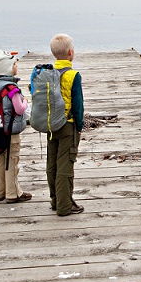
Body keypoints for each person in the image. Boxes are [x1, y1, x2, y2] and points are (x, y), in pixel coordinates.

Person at [46, 33, 85, 217]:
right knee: (65, 165)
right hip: (67, 125)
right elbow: (78, 105)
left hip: (50, 124)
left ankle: (55, 200)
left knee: (52, 163)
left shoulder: (48, 73)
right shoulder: (73, 75)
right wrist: (80, 124)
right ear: (71, 53)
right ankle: (64, 206)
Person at [0, 50, 32, 204]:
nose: (16, 67)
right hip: (11, 131)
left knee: (1, 160)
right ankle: (13, 193)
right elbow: (19, 109)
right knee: (12, 161)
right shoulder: (12, 89)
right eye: (14, 64)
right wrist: (25, 101)